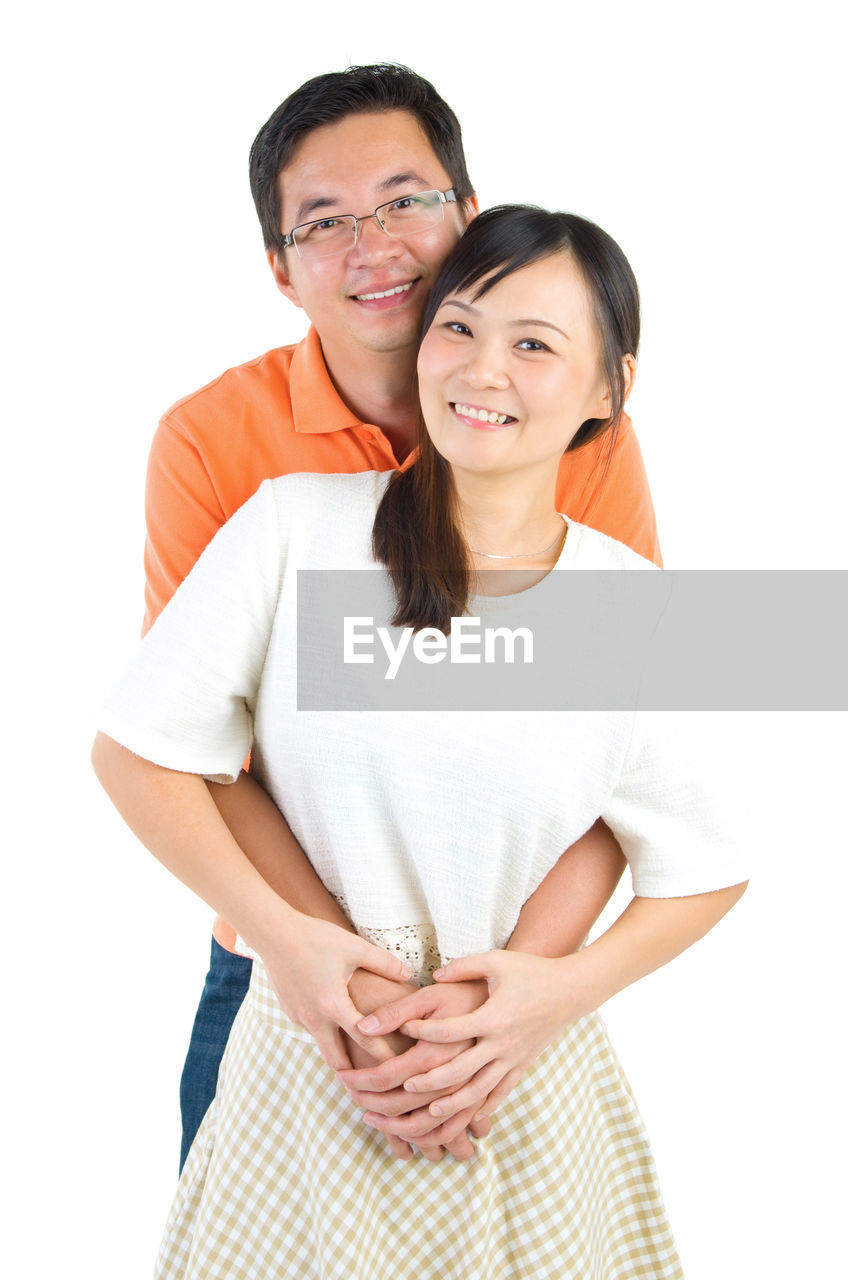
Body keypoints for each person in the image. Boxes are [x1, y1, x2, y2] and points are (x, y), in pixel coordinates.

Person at [94, 204, 748, 1277]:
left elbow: (705, 866)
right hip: (314, 1059)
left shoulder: (632, 610)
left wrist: (555, 993)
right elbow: (138, 748)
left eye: (534, 344)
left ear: (606, 390)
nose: (481, 369)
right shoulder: (294, 526)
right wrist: (289, 946)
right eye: (459, 327)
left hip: (515, 1073)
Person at [144, 63, 664, 1169]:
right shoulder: (213, 447)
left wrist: (509, 998)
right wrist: (327, 960)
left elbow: (627, 747)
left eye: (402, 199)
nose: (370, 243)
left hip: (504, 986)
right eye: (322, 221)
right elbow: (196, 752)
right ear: (281, 272)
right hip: (276, 969)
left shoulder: (580, 433)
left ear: (465, 215)